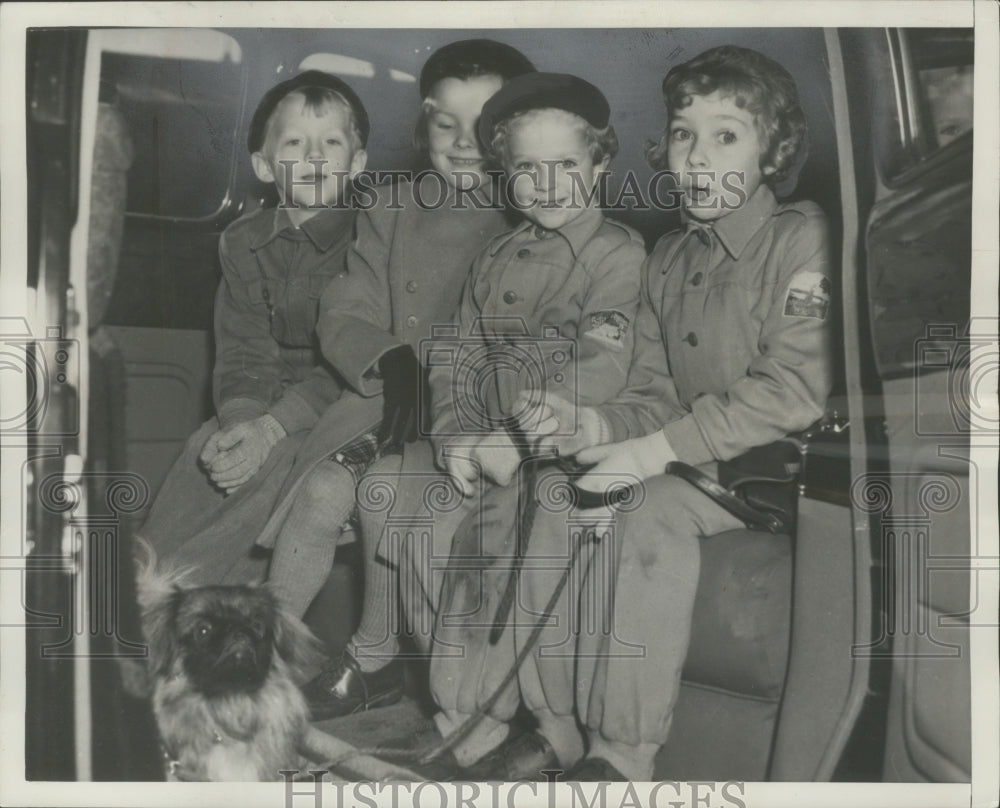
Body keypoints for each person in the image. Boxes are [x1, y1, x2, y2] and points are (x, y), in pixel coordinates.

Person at [519, 45, 834, 781]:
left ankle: (623, 755)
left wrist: (655, 452)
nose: (698, 156)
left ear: (773, 152)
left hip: (780, 469)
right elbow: (655, 388)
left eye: (728, 135)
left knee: (648, 510)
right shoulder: (669, 258)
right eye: (686, 133)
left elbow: (792, 386)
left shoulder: (801, 238)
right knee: (555, 492)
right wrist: (597, 430)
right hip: (690, 457)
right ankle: (553, 726)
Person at [395, 72, 647, 780]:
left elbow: (600, 364)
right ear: (506, 178)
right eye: (527, 169)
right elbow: (455, 355)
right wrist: (455, 436)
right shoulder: (497, 255)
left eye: (565, 165)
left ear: (600, 164)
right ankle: (459, 713)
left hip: (562, 448)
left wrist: (516, 438)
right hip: (488, 445)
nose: (546, 184)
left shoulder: (616, 255)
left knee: (504, 546)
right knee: (421, 532)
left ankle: (524, 720)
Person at [292, 40, 536, 717]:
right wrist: (387, 354)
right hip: (388, 402)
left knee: (381, 489)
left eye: (484, 126)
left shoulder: (532, 218)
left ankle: (373, 659)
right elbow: (348, 305)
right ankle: (250, 667)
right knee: (316, 492)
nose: (463, 143)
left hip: (476, 417)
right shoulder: (393, 205)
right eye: (443, 122)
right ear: (420, 126)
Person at [138, 71, 370, 587]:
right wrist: (243, 419)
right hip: (266, 395)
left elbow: (352, 362)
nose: (314, 157)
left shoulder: (370, 244)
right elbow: (244, 346)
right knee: (209, 444)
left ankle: (194, 593)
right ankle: (138, 577)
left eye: (331, 142)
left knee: (283, 462)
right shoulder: (243, 242)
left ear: (357, 163)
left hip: (344, 404)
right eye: (295, 143)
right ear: (265, 167)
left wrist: (270, 429)